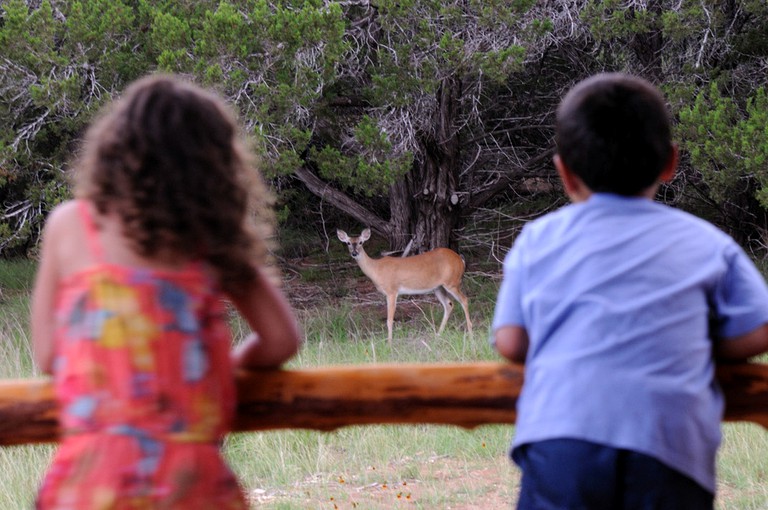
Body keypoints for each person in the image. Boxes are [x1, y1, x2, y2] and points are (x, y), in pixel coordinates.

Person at [491, 73, 768, 509]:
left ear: (563, 172)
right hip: (670, 446)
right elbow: (760, 329)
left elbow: (509, 341)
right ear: (670, 163)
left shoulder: (538, 239)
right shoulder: (708, 242)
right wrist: (695, 342)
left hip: (562, 440)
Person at [31, 74, 302, 509]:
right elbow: (282, 339)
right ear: (214, 166)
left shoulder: (70, 225)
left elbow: (48, 356)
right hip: (190, 480)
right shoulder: (212, 239)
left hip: (94, 479)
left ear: (114, 150)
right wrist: (222, 371)